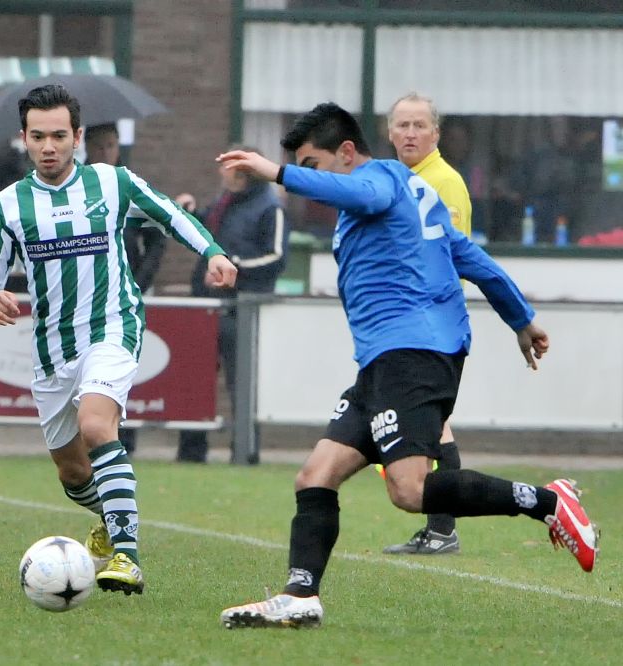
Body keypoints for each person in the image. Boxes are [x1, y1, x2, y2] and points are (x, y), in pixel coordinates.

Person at [216, 102, 598, 630]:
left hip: (413, 353)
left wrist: (276, 171)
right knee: (315, 476)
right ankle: (300, 596)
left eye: (314, 165)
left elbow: (364, 192)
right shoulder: (415, 195)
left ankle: (549, 502)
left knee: (409, 490)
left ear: (347, 153)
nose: (307, 179)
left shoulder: (380, 177)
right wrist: (521, 318)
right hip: (385, 360)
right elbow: (469, 255)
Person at [0, 84, 237, 596]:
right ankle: (113, 517)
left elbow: (170, 214)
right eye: (39, 136)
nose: (50, 146)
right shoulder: (9, 205)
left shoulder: (112, 183)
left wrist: (215, 253)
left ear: (79, 137)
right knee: (72, 473)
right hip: (50, 348)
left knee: (97, 424)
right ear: (24, 138)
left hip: (113, 326)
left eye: (60, 136)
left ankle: (127, 558)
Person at [381, 92, 471, 555]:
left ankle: (442, 529)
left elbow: (447, 257)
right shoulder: (399, 178)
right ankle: (440, 528)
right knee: (435, 427)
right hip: (404, 323)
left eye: (420, 125)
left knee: (434, 427)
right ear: (389, 132)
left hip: (430, 324)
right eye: (403, 125)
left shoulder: (443, 181)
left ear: (435, 133)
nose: (411, 133)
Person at [175, 146, 288, 463]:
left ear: (242, 172)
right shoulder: (223, 204)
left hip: (241, 310)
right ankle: (191, 451)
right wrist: (191, 214)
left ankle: (245, 451)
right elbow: (210, 240)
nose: (220, 172)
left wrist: (234, 268)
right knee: (195, 380)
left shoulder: (269, 208)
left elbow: (277, 257)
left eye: (226, 166)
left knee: (241, 385)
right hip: (206, 307)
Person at [83, 122, 166, 456]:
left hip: (121, 303)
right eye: (100, 145)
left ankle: (121, 440)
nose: (106, 152)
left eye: (111, 145)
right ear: (85, 146)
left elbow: (158, 236)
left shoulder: (126, 188)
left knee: (115, 371)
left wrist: (138, 282)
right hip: (83, 300)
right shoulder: (73, 188)